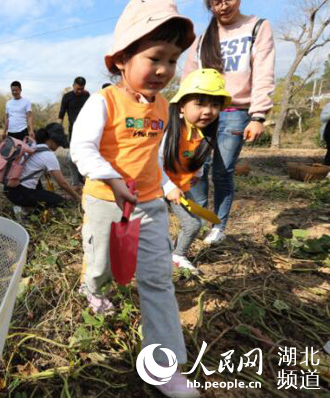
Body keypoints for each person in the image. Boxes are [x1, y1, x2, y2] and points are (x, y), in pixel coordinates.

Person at [70, 1, 199, 396]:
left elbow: (152, 156)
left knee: (158, 281)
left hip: (148, 204)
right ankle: (93, 288)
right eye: (154, 58)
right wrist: (112, 180)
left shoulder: (162, 106)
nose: (163, 70)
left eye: (173, 61)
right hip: (106, 201)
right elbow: (81, 150)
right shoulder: (103, 101)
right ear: (123, 59)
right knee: (103, 266)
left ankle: (163, 367)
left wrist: (166, 183)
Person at [182, 0, 275, 244]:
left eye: (227, 0)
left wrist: (258, 115)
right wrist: (183, 111)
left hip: (235, 111)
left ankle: (218, 226)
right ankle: (197, 219)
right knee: (196, 168)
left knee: (222, 172)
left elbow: (264, 71)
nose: (222, 6)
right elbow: (188, 76)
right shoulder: (203, 39)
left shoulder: (256, 27)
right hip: (201, 110)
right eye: (215, 2)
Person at [161, 69, 232, 271]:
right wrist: (168, 187)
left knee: (194, 222)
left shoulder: (204, 134)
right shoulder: (172, 131)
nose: (208, 111)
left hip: (180, 186)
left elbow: (197, 160)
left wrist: (197, 175)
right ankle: (167, 256)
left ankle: (175, 254)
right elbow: (153, 162)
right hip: (159, 185)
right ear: (182, 106)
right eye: (200, 103)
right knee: (164, 226)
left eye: (215, 104)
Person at [6, 123, 80, 211]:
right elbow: (62, 183)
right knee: (60, 201)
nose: (59, 145)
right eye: (58, 142)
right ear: (50, 140)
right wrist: (77, 197)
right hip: (20, 193)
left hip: (9, 189)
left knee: (44, 192)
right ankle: (22, 208)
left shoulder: (32, 147)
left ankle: (28, 207)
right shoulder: (48, 155)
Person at [58, 76, 90, 188]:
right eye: (77, 89)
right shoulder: (67, 97)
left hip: (87, 130)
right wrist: (58, 130)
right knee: (72, 157)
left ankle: (85, 181)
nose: (79, 91)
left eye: (81, 89)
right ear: (73, 86)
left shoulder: (87, 95)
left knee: (86, 155)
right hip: (74, 131)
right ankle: (75, 182)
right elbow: (61, 115)